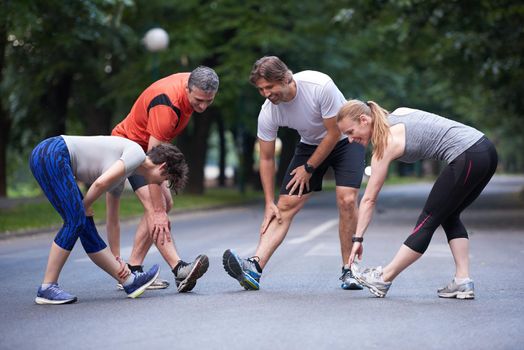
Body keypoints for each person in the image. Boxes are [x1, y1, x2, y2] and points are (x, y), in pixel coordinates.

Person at [222, 56, 366, 290]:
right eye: (261, 89)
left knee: (347, 200)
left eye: (270, 87)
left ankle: (349, 270)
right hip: (310, 144)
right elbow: (267, 158)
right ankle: (254, 268)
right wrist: (269, 201)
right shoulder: (268, 112)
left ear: (286, 78)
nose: (266, 93)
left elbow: (332, 134)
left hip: (345, 140)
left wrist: (309, 168)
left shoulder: (320, 86)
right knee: (285, 205)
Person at [336, 100, 498, 299]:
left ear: (364, 120)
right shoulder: (399, 113)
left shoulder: (386, 143)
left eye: (351, 132)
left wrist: (357, 239)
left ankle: (384, 278)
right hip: (485, 149)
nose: (350, 140)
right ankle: (462, 281)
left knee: (427, 219)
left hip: (468, 154)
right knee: (449, 215)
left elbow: (369, 199)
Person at [30, 135, 189, 304]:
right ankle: (47, 287)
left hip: (52, 156)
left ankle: (129, 281)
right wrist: (84, 206)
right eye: (165, 180)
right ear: (163, 168)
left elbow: (112, 220)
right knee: (76, 220)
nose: (161, 184)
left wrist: (117, 258)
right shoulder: (136, 154)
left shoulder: (124, 173)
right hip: (52, 153)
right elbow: (100, 184)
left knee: (85, 227)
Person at [109, 66, 219, 292]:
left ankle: (134, 270)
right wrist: (157, 212)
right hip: (128, 149)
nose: (203, 106)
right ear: (188, 88)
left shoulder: (195, 81)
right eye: (198, 100)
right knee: (155, 208)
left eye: (209, 101)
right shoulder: (167, 106)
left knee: (165, 203)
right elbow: (153, 163)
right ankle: (179, 269)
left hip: (144, 150)